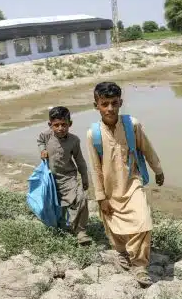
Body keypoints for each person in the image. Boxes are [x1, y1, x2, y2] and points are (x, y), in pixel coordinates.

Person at [87, 82, 164, 287]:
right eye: (105, 104)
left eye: (114, 103)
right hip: (110, 188)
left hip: (132, 183)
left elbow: (147, 149)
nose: (110, 108)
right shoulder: (93, 134)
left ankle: (139, 265)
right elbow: (95, 168)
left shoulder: (132, 125)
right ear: (97, 105)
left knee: (144, 221)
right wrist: (100, 196)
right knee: (113, 224)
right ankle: (121, 252)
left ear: (120, 102)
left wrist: (158, 169)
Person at [38, 106, 91, 245]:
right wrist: (42, 150)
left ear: (70, 124)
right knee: (55, 206)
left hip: (68, 177)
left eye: (64, 124)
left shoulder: (74, 140)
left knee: (81, 198)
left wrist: (85, 178)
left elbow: (80, 160)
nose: (60, 128)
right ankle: (60, 226)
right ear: (50, 125)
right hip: (50, 178)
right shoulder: (46, 135)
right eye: (56, 125)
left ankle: (80, 231)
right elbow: (40, 141)